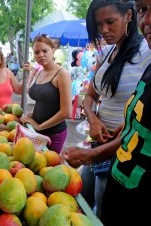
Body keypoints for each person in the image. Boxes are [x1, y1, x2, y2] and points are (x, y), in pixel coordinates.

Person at [62, 0, 151, 224]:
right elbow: (90, 95)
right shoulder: (107, 54)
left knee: (101, 212)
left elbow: (139, 127)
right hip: (98, 146)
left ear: (128, 17)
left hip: (119, 153)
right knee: (79, 201)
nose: (104, 30)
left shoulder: (145, 54)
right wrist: (92, 119)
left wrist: (94, 155)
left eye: (110, 22)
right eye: (98, 25)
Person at [20, 35, 72, 154]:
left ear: (53, 50)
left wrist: (39, 126)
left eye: (45, 50)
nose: (41, 55)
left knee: (47, 169)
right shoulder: (40, 72)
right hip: (36, 131)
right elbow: (45, 100)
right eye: (36, 52)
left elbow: (66, 112)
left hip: (53, 133)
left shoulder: (62, 74)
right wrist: (34, 115)